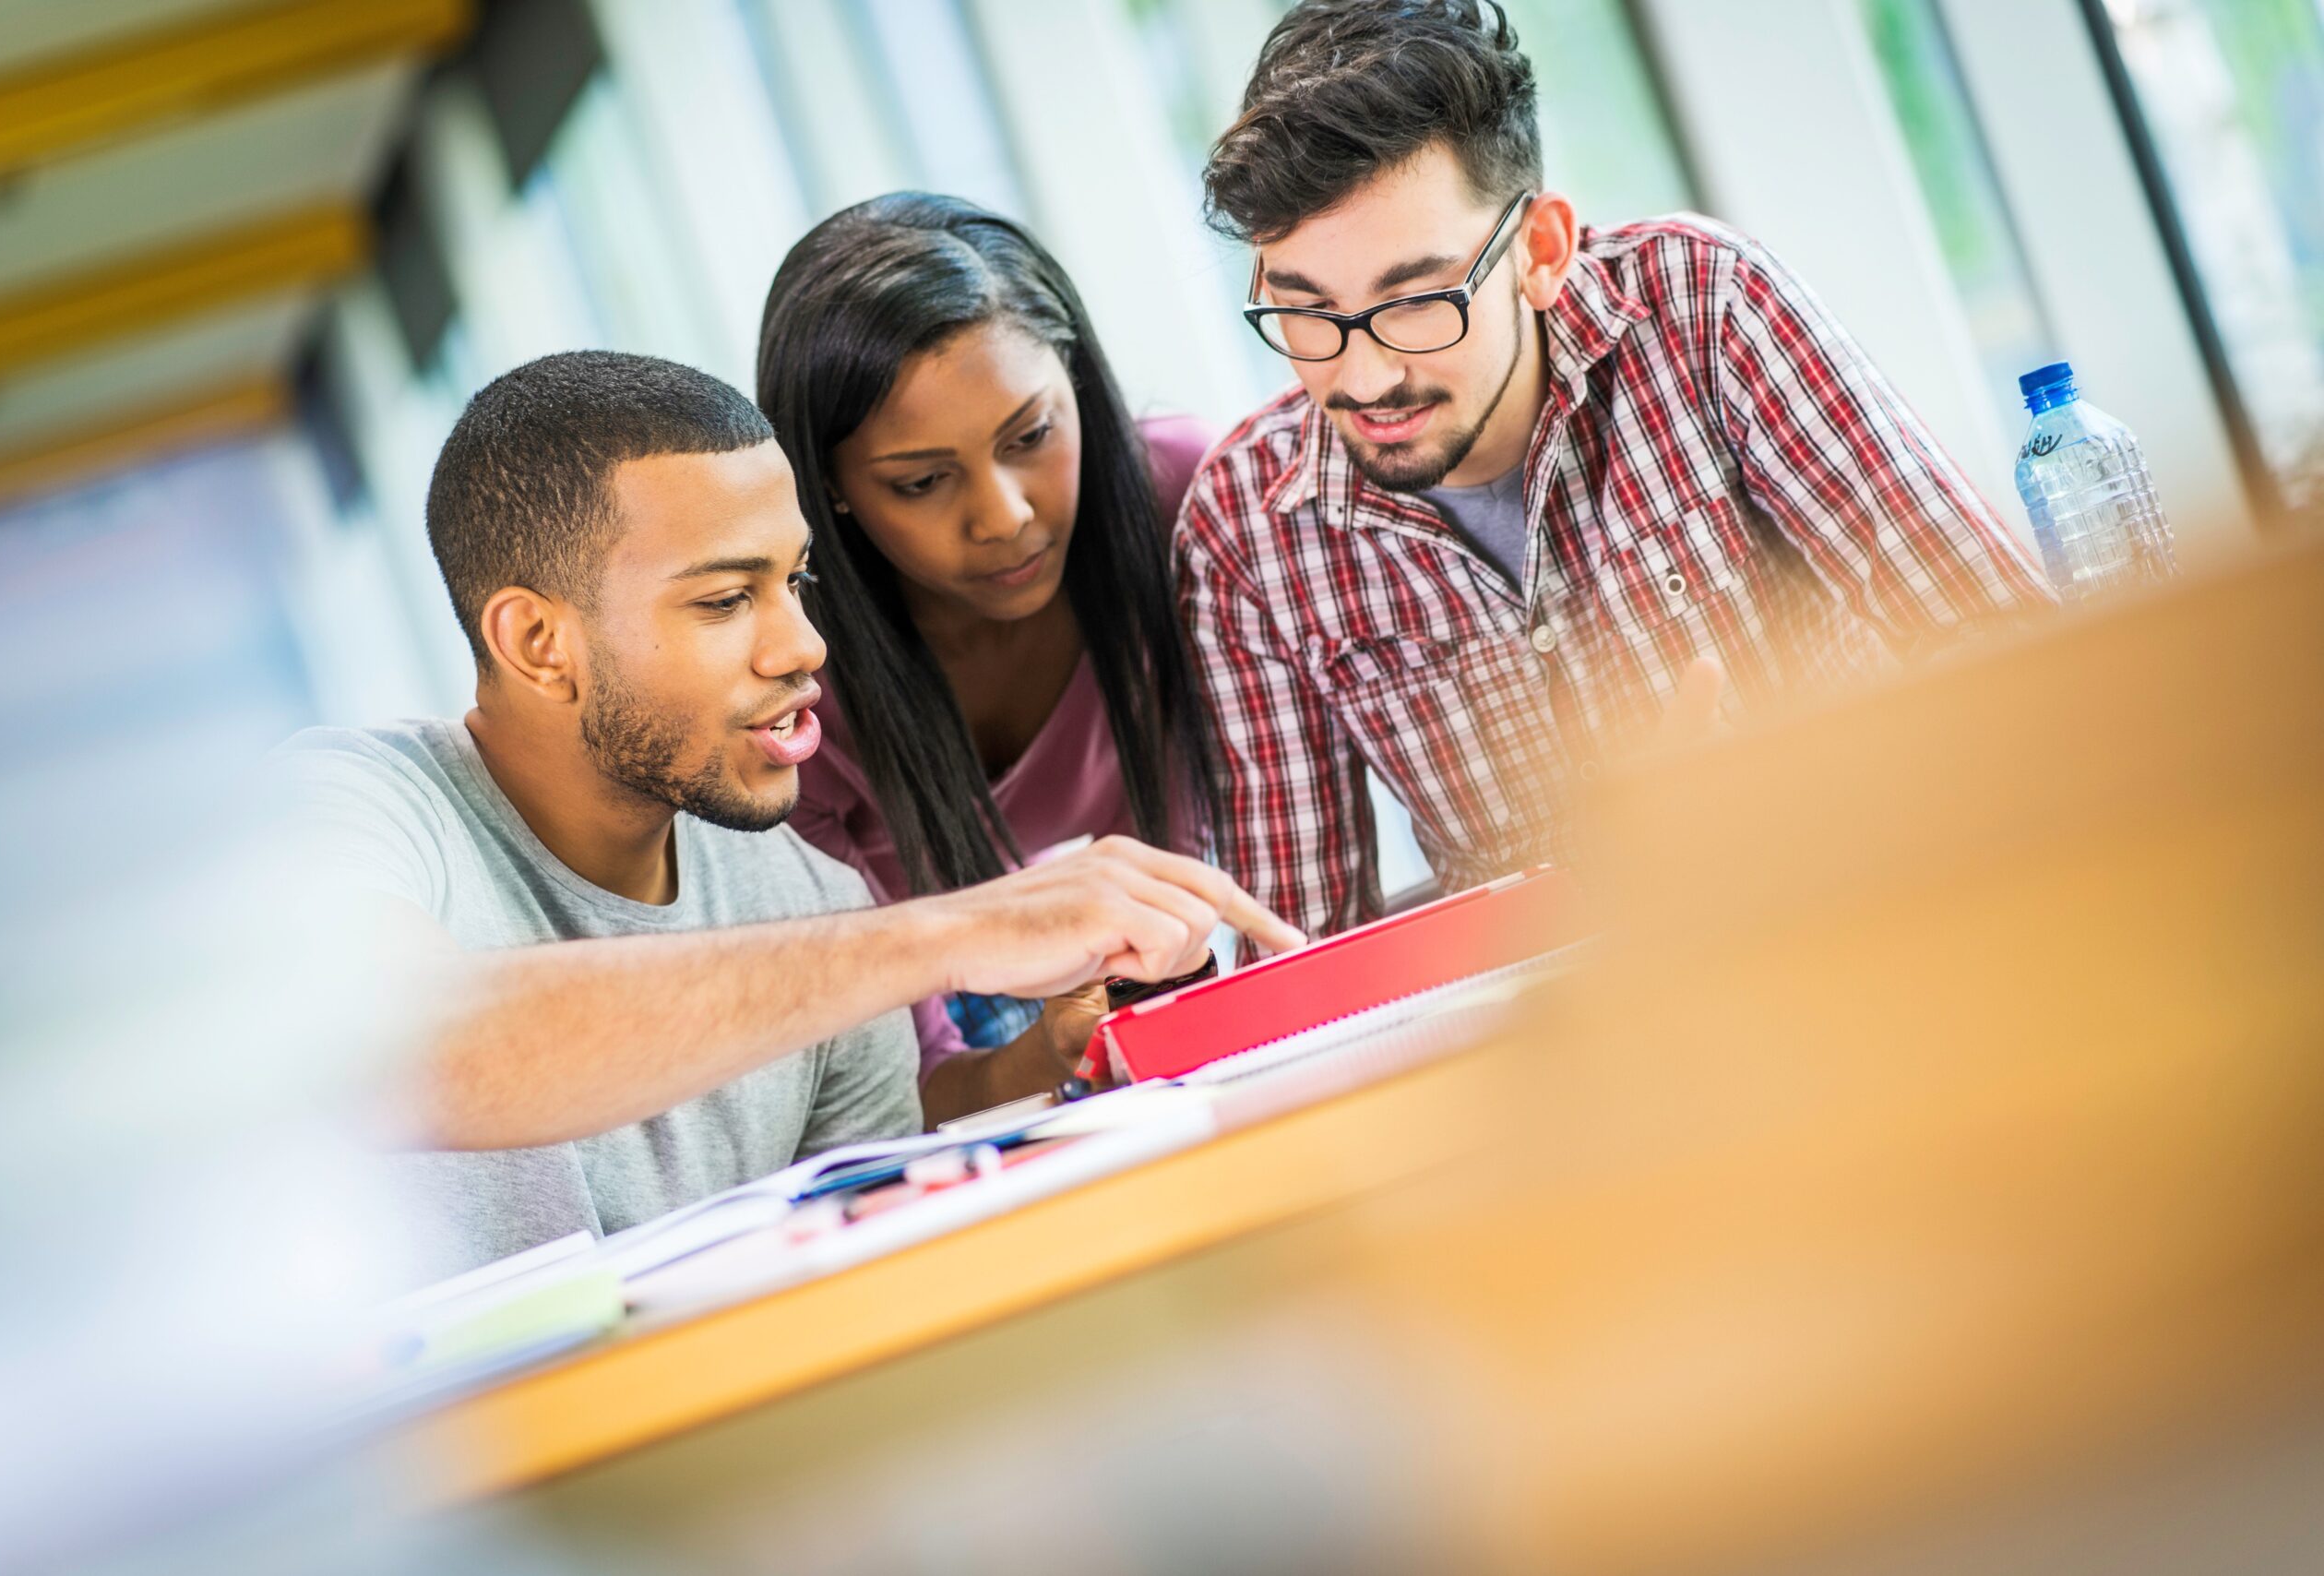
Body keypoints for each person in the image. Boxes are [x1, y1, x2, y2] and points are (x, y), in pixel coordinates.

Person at [273, 351, 1299, 1275]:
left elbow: (882, 1241)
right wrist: (949, 934)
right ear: (539, 642)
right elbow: (406, 1047)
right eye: (725, 601)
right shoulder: (350, 809)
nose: (803, 646)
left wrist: (1050, 1058)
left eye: (795, 581)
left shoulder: (805, 889)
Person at [1177, 0, 2055, 951]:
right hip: (1582, 1055)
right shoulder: (1244, 531)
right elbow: (1299, 965)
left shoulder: (1702, 306)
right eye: (1305, 311)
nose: (1362, 377)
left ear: (1540, 251)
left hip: (1879, 930)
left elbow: (2009, 668)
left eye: (1416, 302)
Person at [758, 194, 1220, 1125]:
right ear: (830, 490)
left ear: (1076, 385)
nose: (1004, 514)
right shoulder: (792, 688)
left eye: (1031, 436)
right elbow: (904, 1090)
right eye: (922, 481)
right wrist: (1053, 1049)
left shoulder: (1186, 500)